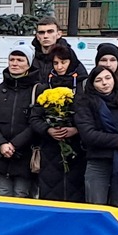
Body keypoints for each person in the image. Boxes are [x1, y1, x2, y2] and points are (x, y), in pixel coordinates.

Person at [74, 62, 118, 208]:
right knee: (96, 209)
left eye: (108, 78)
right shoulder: (85, 102)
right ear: (92, 84)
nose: (104, 83)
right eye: (99, 80)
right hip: (98, 162)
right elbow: (89, 135)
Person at [29, 41, 86, 202]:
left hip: (77, 150)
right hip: (50, 150)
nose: (60, 66)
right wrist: (48, 129)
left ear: (72, 62)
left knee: (76, 196)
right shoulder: (45, 86)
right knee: (51, 196)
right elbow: (35, 117)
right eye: (56, 63)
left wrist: (76, 129)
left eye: (63, 62)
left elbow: (88, 116)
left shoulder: (83, 85)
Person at [0, 49, 38, 198]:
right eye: (12, 59)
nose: (15, 63)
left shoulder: (37, 90)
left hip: (24, 154)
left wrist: (15, 144)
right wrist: (1, 144)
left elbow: (36, 123)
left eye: (20, 60)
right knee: (3, 193)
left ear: (29, 64)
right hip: (0, 154)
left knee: (22, 194)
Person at [29, 17, 83, 85]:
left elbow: (83, 81)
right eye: (41, 32)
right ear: (37, 36)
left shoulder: (69, 56)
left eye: (50, 31)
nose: (45, 36)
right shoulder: (30, 57)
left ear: (59, 34)